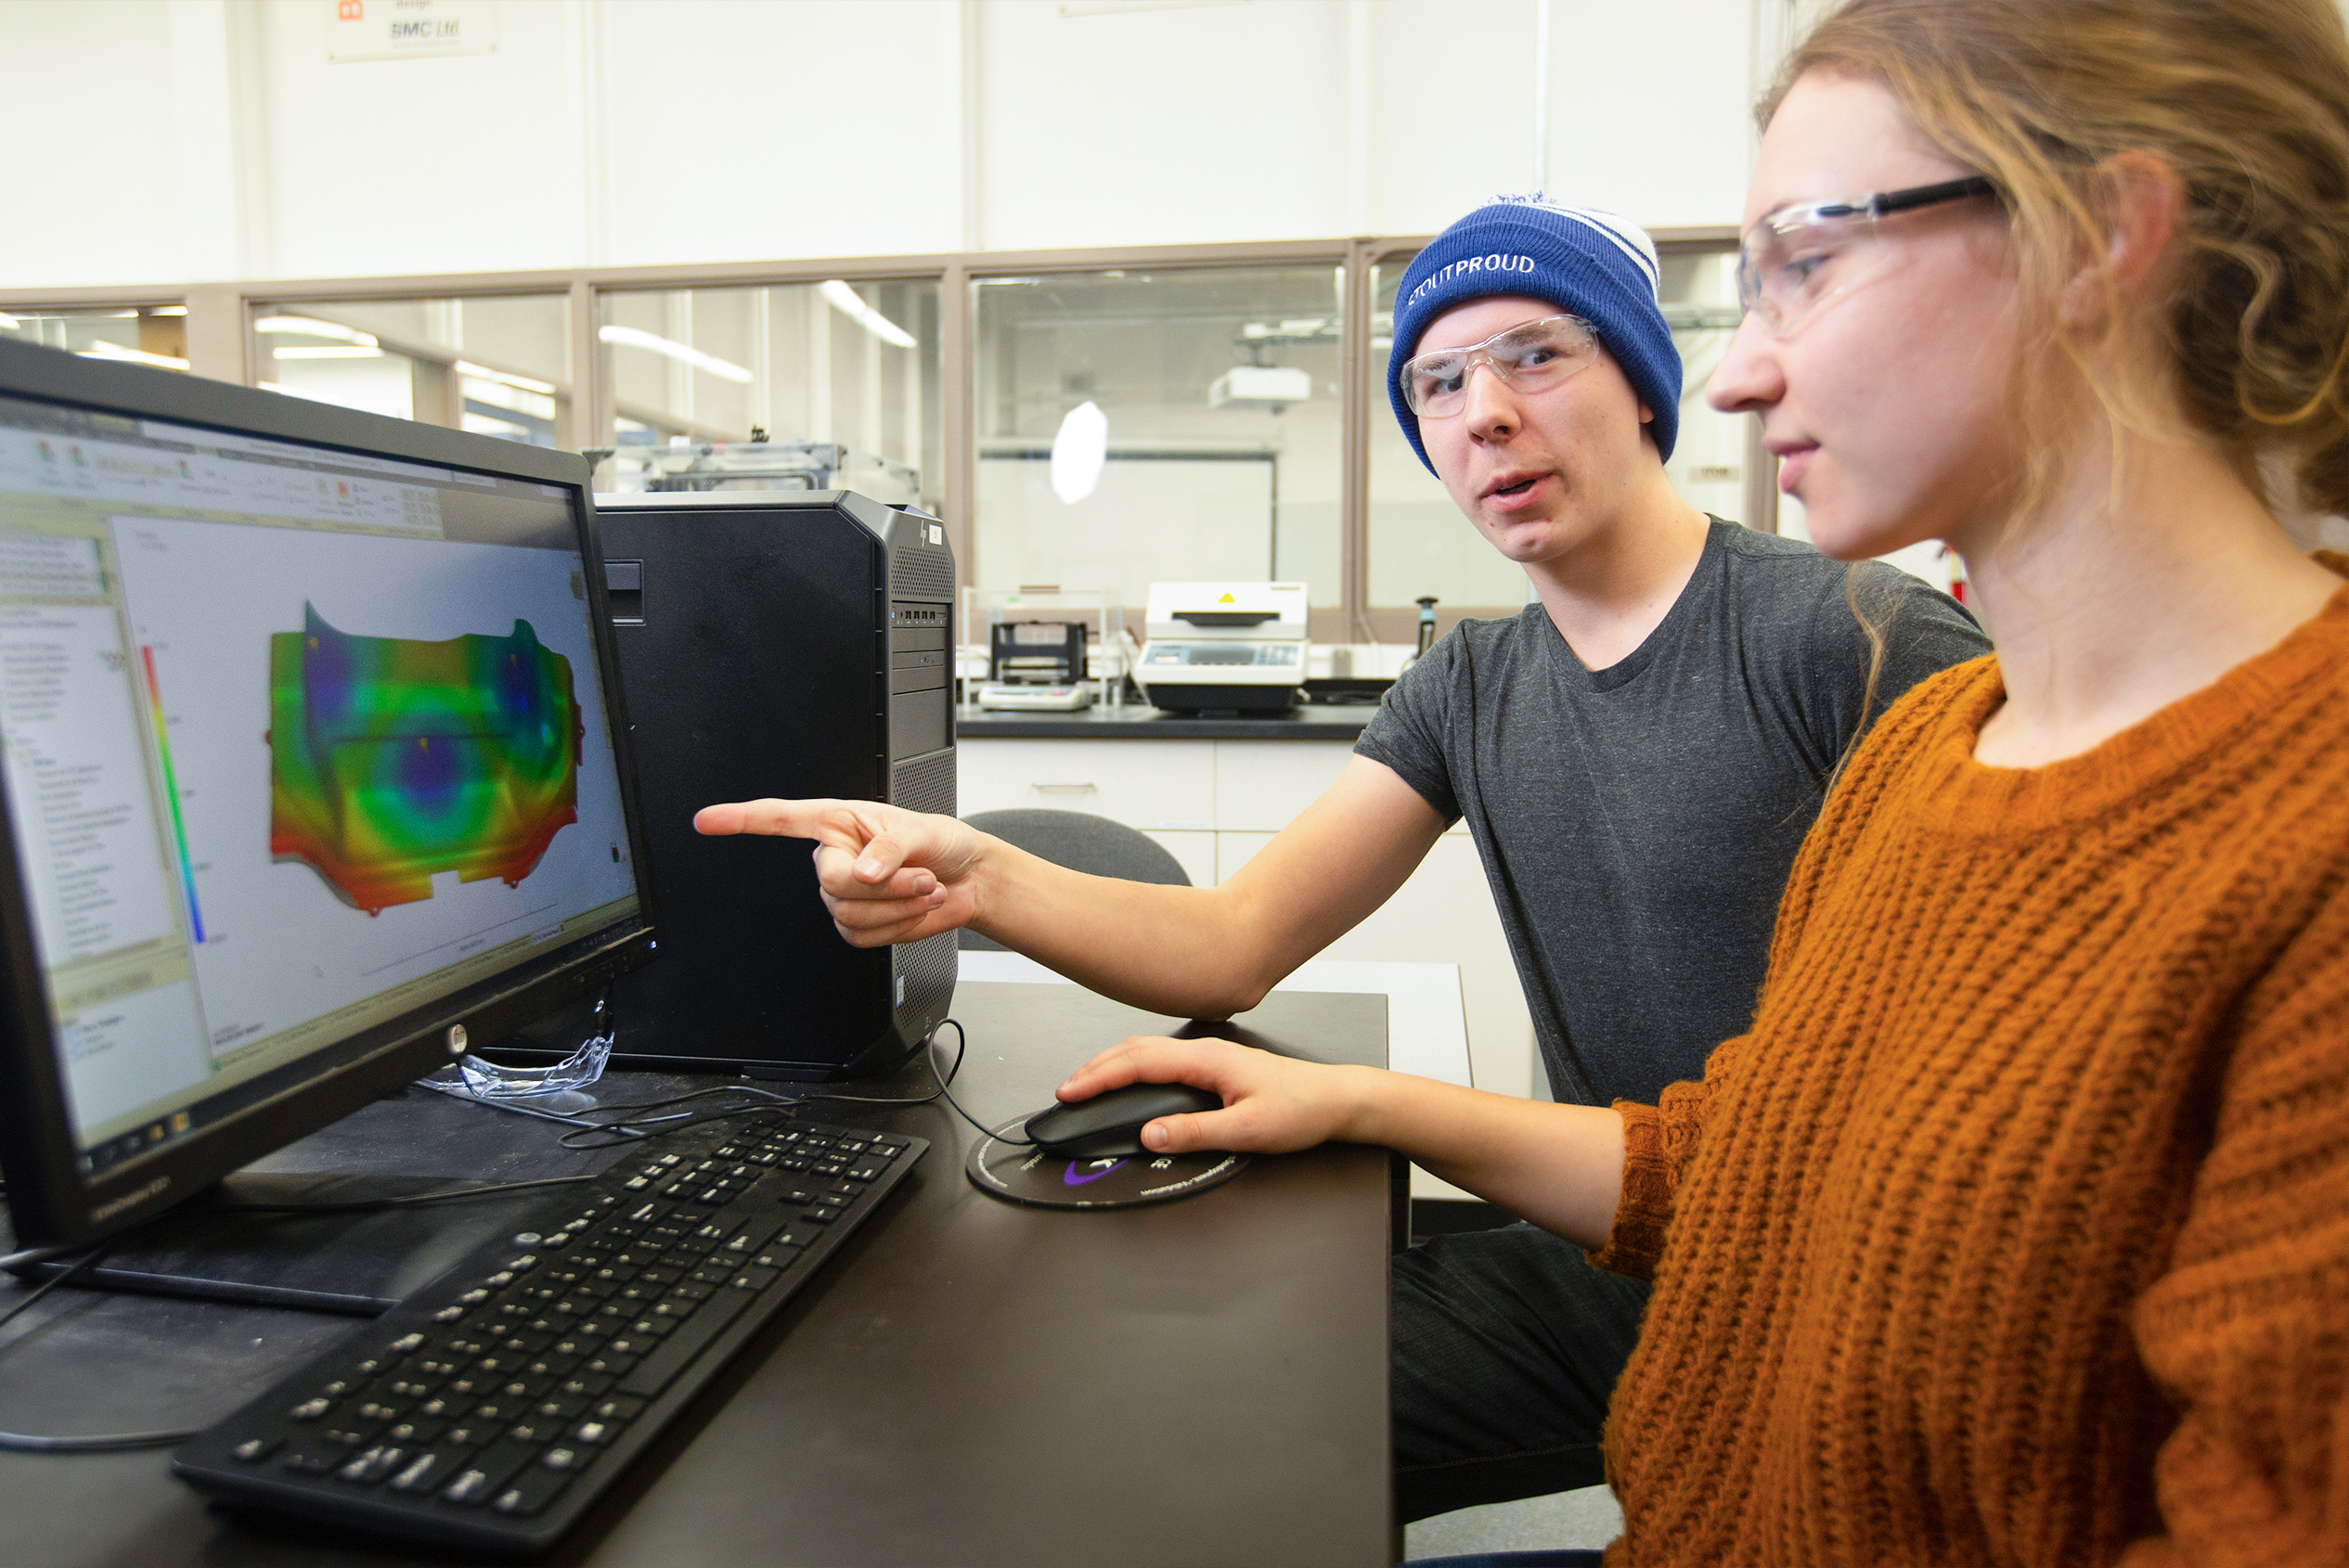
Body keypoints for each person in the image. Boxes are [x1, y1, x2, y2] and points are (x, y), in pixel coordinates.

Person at [999, 0, 2349, 1562]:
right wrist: (1359, 1098)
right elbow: (1757, 1166)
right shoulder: (1944, 747)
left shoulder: (1902, 670)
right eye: (1438, 385)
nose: (1742, 374)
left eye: (1811, 260)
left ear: (2102, 237)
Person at [697, 200, 1985, 1520]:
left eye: (1537, 355)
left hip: (1845, 1298)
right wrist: (976, 877)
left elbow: (1952, 1139)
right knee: (1177, 1401)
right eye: (1439, 380)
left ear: (1647, 389)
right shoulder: (1473, 684)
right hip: (1627, 1258)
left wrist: (1362, 1097)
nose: (1484, 411)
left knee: (1254, 1457)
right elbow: (1233, 939)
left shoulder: (1855, 640)